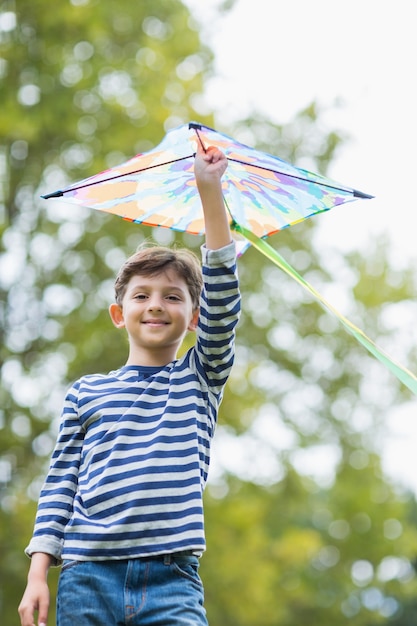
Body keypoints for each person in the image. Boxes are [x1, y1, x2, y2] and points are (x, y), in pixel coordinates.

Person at [18, 142, 240, 626]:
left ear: (195, 317)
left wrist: (210, 191)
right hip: (87, 577)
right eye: (142, 295)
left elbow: (223, 290)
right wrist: (39, 574)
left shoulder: (200, 379)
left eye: (172, 296)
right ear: (120, 314)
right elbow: (59, 485)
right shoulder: (86, 393)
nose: (156, 304)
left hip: (172, 581)